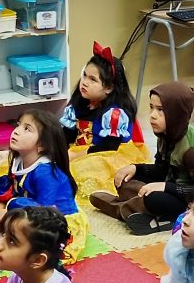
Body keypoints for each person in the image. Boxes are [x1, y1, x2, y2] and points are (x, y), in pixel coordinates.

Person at [90, 81, 194, 235]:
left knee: (153, 198)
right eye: (151, 108)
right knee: (125, 180)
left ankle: (122, 208)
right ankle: (135, 208)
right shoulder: (165, 135)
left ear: (177, 113)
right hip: (172, 185)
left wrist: (165, 187)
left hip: (192, 201)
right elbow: (160, 169)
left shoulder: (193, 150)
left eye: (161, 110)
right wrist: (136, 168)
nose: (152, 115)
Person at [0, 109, 91, 264]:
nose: (16, 131)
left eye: (27, 129)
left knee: (17, 207)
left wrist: (9, 208)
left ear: (42, 145)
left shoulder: (46, 173)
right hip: (27, 211)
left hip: (54, 220)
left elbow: (44, 213)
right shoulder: (19, 161)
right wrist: (0, 208)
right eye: (18, 125)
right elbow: (8, 190)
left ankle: (0, 242)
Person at [60, 44, 150, 201]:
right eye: (84, 75)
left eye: (93, 79)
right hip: (80, 149)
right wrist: (59, 150)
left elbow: (109, 147)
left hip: (106, 154)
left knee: (81, 175)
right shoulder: (78, 103)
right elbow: (68, 134)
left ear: (108, 88)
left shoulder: (114, 114)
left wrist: (76, 155)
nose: (84, 82)